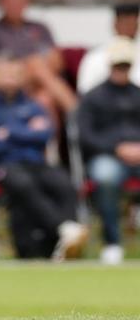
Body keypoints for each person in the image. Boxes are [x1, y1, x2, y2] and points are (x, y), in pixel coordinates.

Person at [0, 56, 88, 260]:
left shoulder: (33, 105)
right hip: (3, 166)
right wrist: (26, 131)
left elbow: (44, 135)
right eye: (5, 74)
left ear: (23, 78)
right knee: (22, 184)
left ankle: (66, 247)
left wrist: (8, 132)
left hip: (35, 163)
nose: (10, 79)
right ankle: (64, 230)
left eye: (15, 74)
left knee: (62, 182)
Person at [77, 36, 140, 265]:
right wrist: (116, 147)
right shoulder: (93, 98)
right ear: (110, 66)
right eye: (118, 66)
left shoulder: (138, 94)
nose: (121, 70)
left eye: (125, 66)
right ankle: (112, 242)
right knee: (106, 176)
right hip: (107, 155)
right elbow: (85, 136)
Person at [0, 0, 77, 120]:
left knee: (45, 98)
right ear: (2, 2)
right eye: (11, 0)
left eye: (19, 0)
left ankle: (48, 140)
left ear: (27, 1)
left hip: (38, 85)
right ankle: (79, 114)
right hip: (7, 84)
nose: (15, 4)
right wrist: (28, 68)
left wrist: (35, 74)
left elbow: (57, 61)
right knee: (35, 63)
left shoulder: (40, 28)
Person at [77, 3, 140, 94]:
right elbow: (85, 91)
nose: (129, 27)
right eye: (125, 22)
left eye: (132, 23)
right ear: (115, 24)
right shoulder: (96, 57)